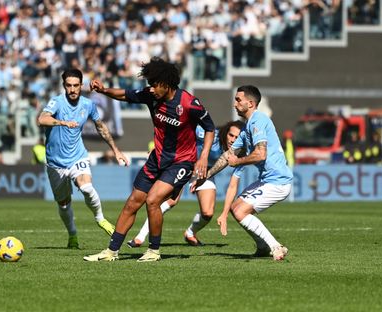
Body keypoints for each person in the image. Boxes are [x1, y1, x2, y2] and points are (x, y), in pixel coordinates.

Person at [84, 57, 215, 262]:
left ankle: (154, 250)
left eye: (154, 84)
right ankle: (111, 251)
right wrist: (103, 90)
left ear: (167, 83)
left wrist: (203, 156)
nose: (151, 89)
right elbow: (125, 95)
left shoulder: (189, 103)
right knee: (132, 203)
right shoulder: (150, 95)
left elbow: (210, 128)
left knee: (153, 200)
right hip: (157, 159)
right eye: (149, 84)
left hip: (182, 162)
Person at [193, 85, 293, 261]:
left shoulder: (258, 121)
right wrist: (206, 177)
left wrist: (237, 161)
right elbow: (227, 156)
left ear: (251, 103)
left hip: (277, 181)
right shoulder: (247, 128)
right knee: (235, 208)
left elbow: (261, 154)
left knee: (240, 211)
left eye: (239, 100)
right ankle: (262, 247)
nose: (235, 104)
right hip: (268, 180)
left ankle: (275, 246)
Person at [38, 68, 129, 249]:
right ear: (64, 86)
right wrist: (61, 122)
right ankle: (72, 235)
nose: (72, 89)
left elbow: (101, 127)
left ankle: (101, 219)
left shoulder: (88, 105)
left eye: (76, 85)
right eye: (69, 85)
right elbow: (42, 119)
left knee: (86, 187)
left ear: (82, 86)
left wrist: (116, 150)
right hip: (55, 163)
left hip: (77, 156)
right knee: (64, 204)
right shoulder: (56, 102)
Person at [125, 120, 245, 248]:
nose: (233, 139)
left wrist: (203, 177)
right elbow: (182, 132)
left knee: (208, 213)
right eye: (231, 135)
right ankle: (140, 237)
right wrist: (159, 149)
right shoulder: (210, 135)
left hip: (204, 173)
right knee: (170, 201)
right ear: (225, 133)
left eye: (237, 137)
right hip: (182, 164)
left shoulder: (239, 149)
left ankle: (190, 233)